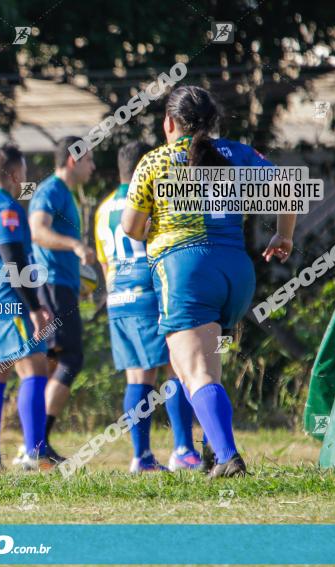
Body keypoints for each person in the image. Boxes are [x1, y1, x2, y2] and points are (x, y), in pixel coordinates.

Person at [121, 86, 296, 478]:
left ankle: (229, 456)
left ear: (169, 123)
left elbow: (130, 227)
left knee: (193, 370)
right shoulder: (237, 153)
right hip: (236, 272)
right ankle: (211, 453)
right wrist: (283, 236)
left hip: (186, 272)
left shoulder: (155, 162)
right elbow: (287, 188)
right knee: (207, 370)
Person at [95, 141, 201, 473]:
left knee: (137, 377)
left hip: (118, 299)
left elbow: (104, 263)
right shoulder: (151, 195)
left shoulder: (102, 208)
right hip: (149, 293)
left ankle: (141, 457)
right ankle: (183, 450)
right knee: (175, 367)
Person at [0, 144, 54, 472]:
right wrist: (34, 307)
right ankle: (35, 453)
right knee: (34, 369)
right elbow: (13, 258)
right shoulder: (6, 207)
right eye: (24, 175)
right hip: (10, 299)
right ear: (14, 174)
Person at [25, 135, 96, 463]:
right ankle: (37, 444)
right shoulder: (51, 190)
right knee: (70, 358)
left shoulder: (63, 193)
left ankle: (33, 444)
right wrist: (75, 246)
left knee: (52, 360)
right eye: (89, 160)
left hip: (60, 285)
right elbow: (37, 231)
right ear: (73, 159)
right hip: (51, 285)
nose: (93, 167)